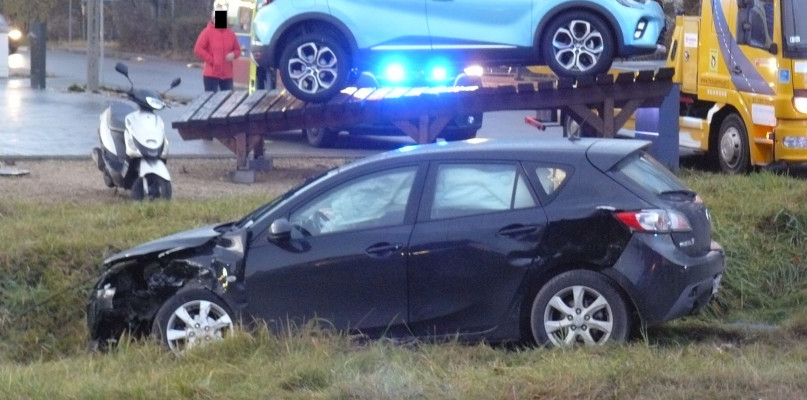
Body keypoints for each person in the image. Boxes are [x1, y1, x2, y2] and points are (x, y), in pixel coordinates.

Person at [194, 2, 241, 92]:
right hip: (211, 74)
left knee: (227, 102)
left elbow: (237, 50)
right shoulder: (207, 32)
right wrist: (212, 61)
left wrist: (234, 54)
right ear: (213, 19)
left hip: (227, 75)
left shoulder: (231, 34)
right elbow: (198, 49)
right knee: (211, 101)